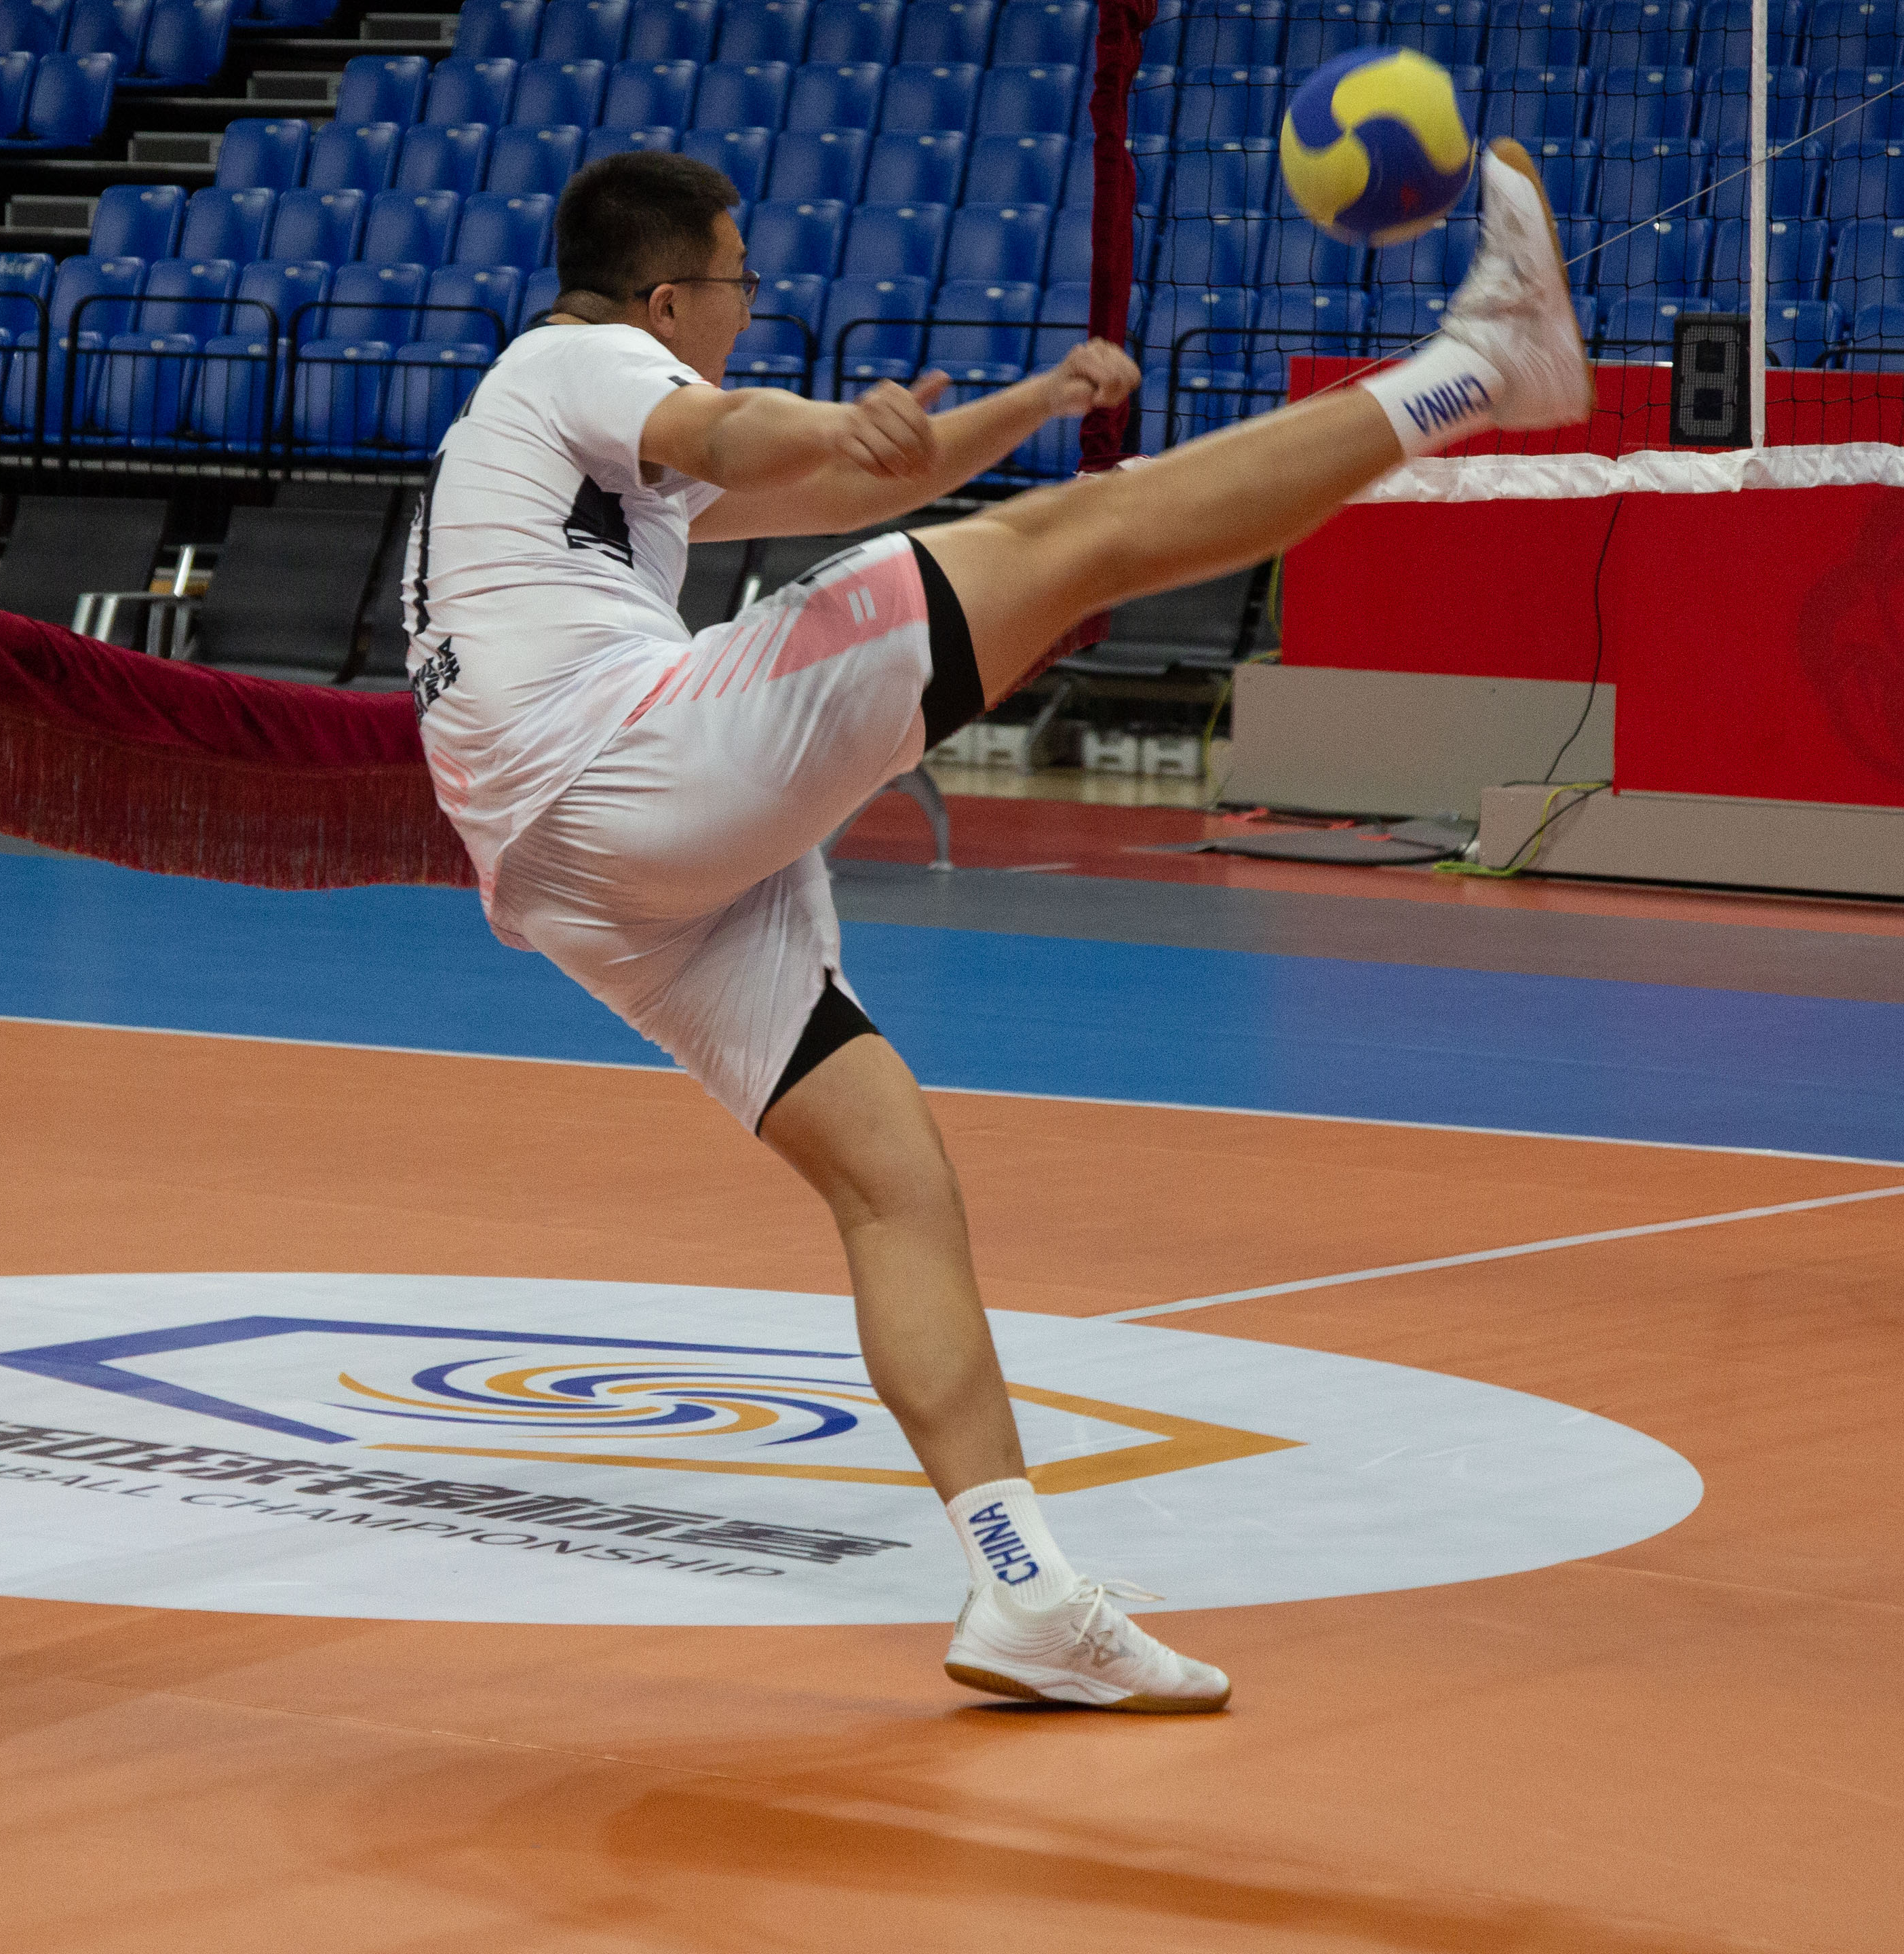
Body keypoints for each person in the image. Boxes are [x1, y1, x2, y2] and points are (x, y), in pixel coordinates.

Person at [403, 142, 1589, 1709]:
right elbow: (739, 423)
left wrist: (1024, 407)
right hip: (631, 764)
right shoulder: (583, 359)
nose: (751, 310)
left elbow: (845, 482)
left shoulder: (556, 448)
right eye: (742, 284)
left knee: (896, 1184)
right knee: (1089, 538)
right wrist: (834, 415)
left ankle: (1020, 1593)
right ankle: (1475, 371)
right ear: (671, 294)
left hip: (570, 878)